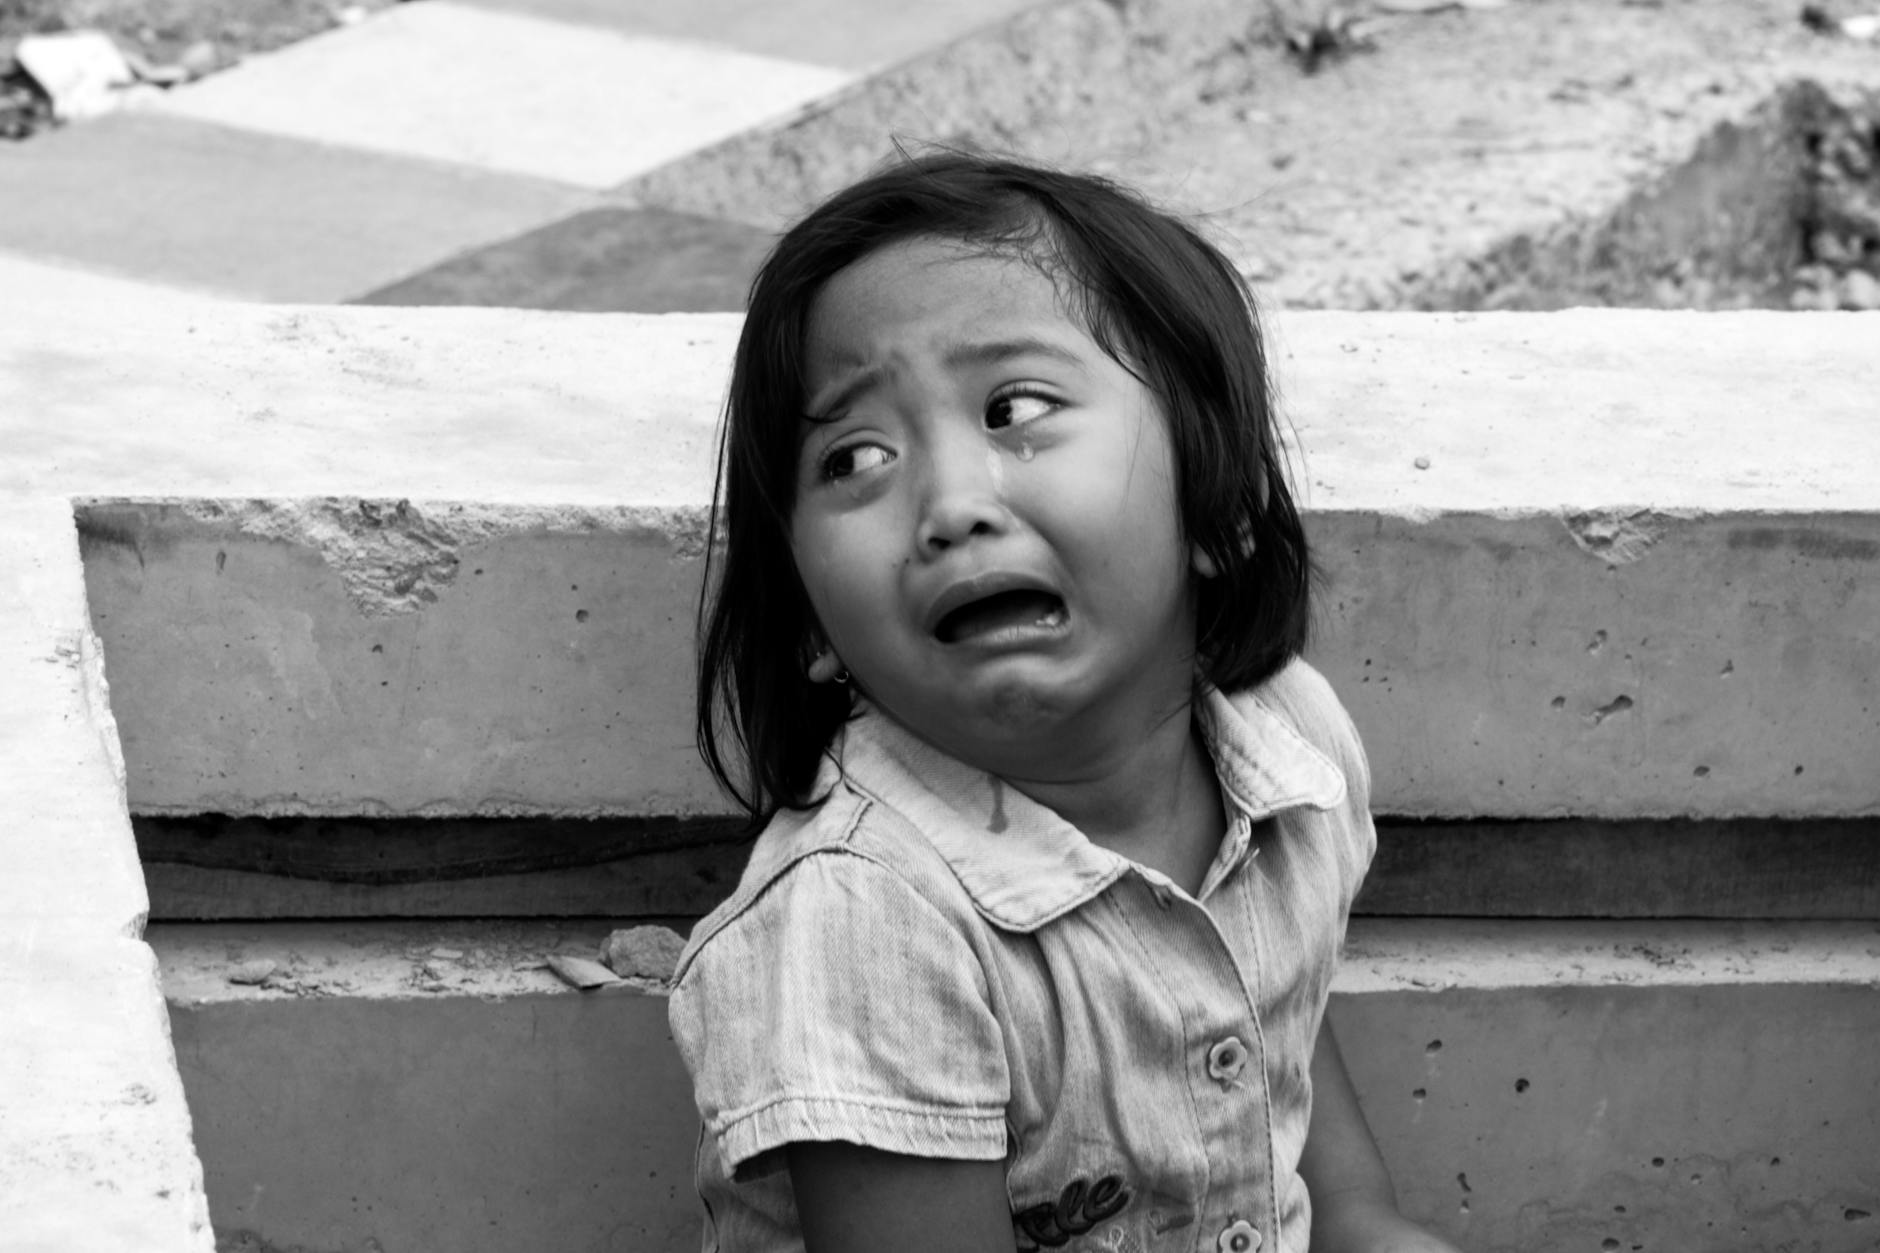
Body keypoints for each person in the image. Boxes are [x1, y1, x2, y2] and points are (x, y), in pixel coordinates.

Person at [669, 150, 1462, 1253]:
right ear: (809, 620)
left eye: (1017, 407)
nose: (948, 504)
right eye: (854, 456)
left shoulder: (1291, 747)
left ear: (1215, 501)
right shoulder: (868, 918)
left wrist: (1366, 1224)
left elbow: (1264, 1010)